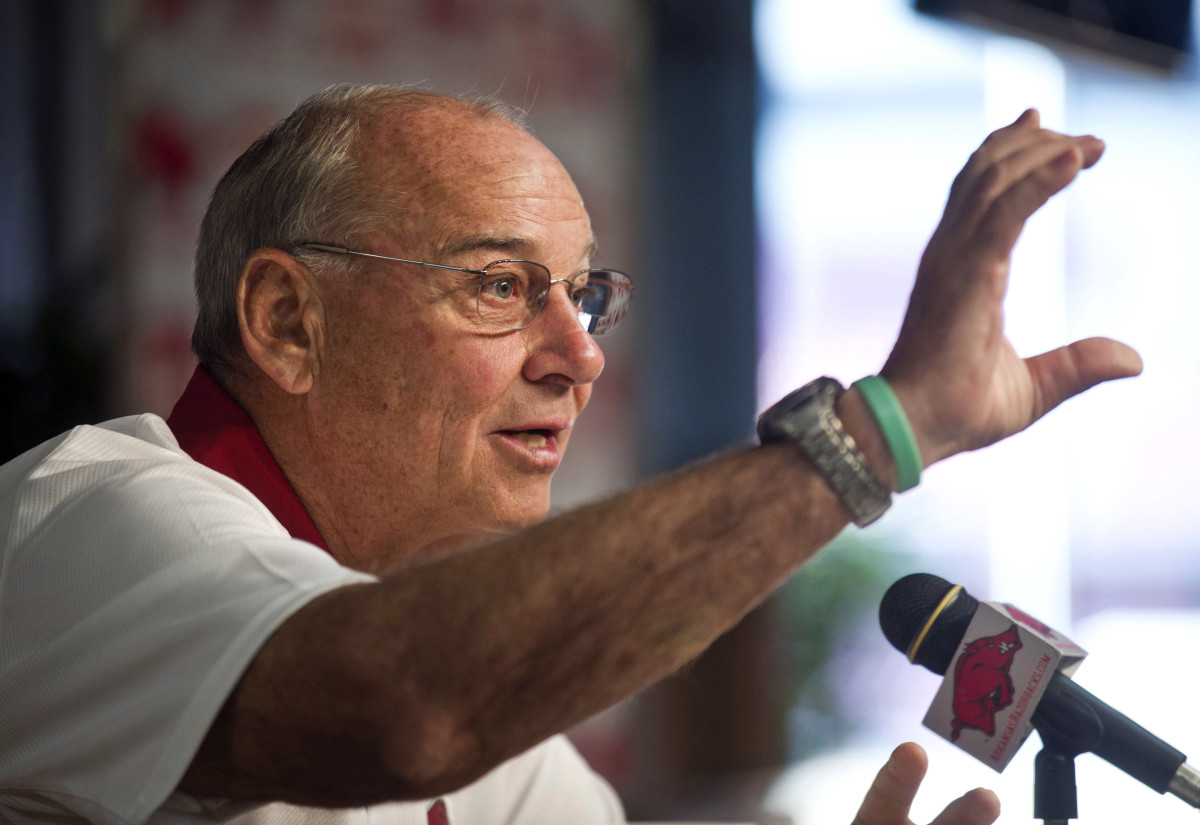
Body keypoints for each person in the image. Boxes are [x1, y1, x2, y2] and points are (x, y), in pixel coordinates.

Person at [0, 84, 1141, 824]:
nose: (578, 357)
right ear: (290, 323)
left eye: (583, 296)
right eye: (499, 286)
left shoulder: (503, 738)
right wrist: (876, 436)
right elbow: (408, 709)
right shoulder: (88, 520)